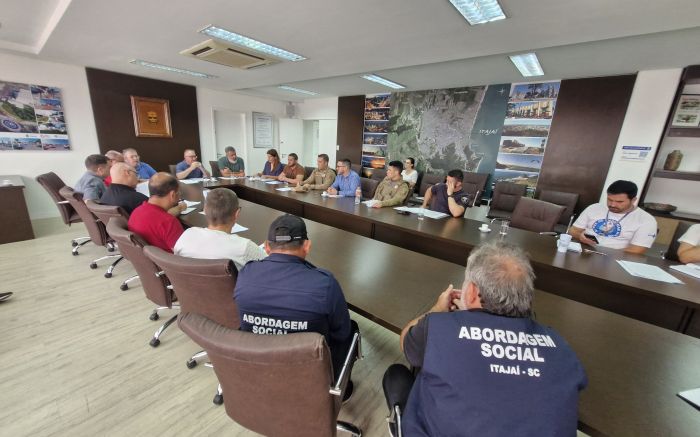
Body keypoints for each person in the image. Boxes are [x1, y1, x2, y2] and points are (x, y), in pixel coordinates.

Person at [383, 242, 587, 437]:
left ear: (471, 292)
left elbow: (405, 341)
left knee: (397, 374)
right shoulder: (559, 346)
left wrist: (438, 310)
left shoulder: (439, 327)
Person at [234, 214, 358, 399]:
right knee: (352, 329)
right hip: (311, 373)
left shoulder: (245, 274)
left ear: (267, 247)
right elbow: (342, 333)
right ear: (307, 246)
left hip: (259, 363)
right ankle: (341, 387)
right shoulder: (325, 284)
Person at [174, 189, 266, 270]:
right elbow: (271, 268)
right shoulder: (245, 247)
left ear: (205, 210)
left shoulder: (186, 235)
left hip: (187, 288)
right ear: (237, 214)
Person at [569, 180, 657, 254]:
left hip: (615, 257)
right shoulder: (594, 208)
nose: (612, 204)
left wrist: (603, 254)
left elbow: (636, 250)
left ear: (633, 200)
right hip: (584, 251)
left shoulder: (646, 220)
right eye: (609, 199)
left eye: (619, 202)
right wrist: (580, 236)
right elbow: (573, 231)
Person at [128, 173, 186, 252]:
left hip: (148, 260)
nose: (179, 196)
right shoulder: (168, 222)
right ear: (172, 195)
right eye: (179, 193)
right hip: (168, 262)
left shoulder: (136, 212)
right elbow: (184, 254)